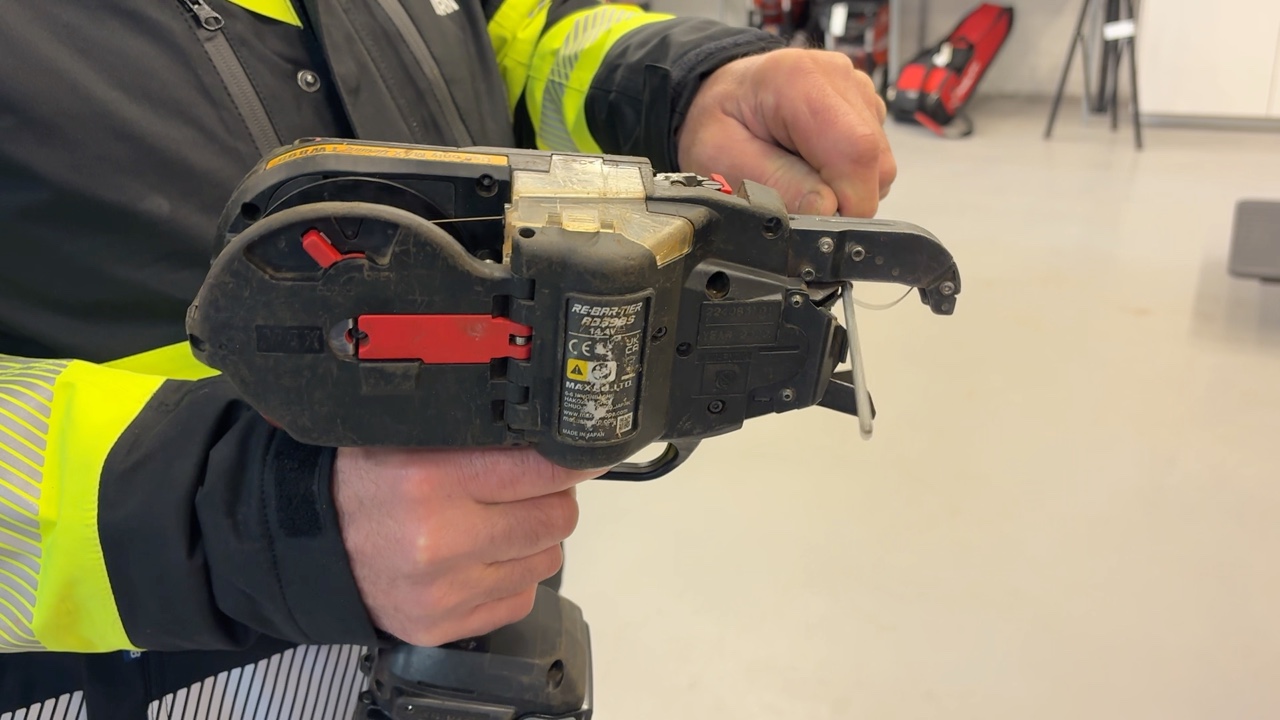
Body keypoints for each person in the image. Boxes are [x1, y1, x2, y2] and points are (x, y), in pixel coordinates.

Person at [0, 0, 896, 717]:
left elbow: (505, 29)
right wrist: (252, 512)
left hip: (476, 624)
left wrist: (681, 89)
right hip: (135, 674)